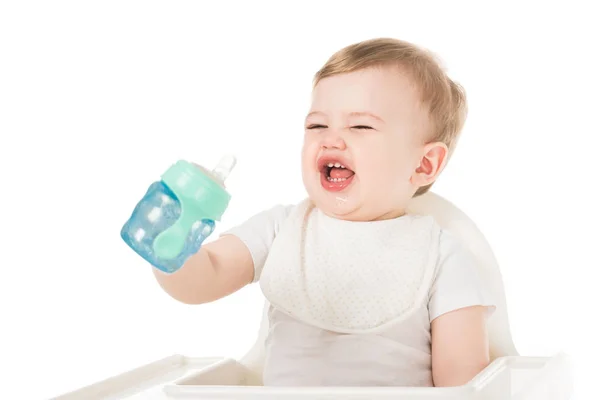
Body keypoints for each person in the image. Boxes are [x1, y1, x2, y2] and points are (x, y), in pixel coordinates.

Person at [153, 37, 495, 387]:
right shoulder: (281, 229)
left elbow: (464, 385)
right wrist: (171, 238)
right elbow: (201, 281)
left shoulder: (443, 257)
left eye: (360, 126)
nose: (330, 140)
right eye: (317, 125)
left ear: (424, 163)